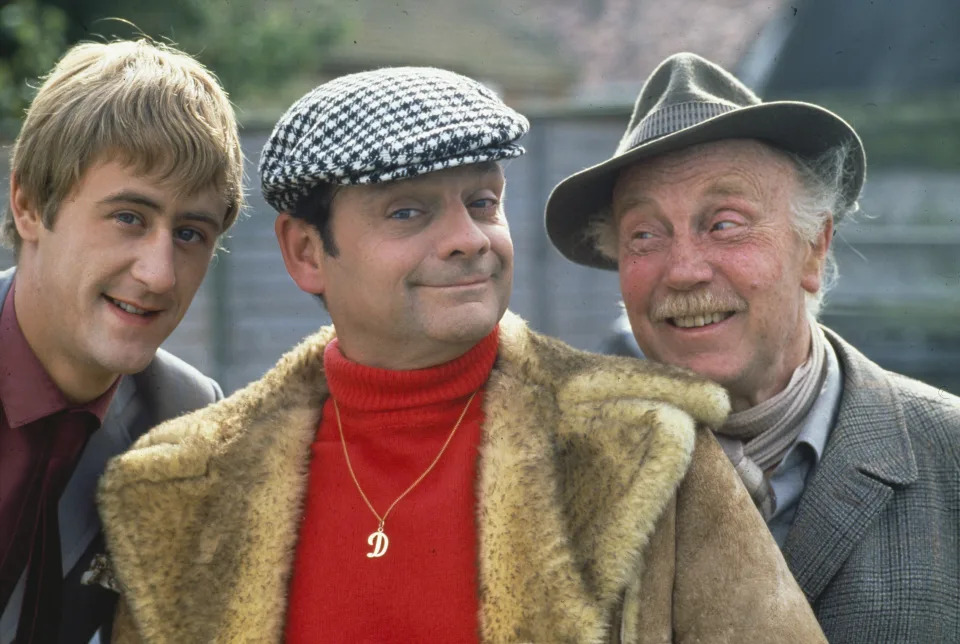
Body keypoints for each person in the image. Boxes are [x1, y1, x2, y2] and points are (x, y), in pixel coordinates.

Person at [98, 66, 825, 643]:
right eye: (409, 210)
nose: (468, 239)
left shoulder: (644, 444)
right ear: (306, 251)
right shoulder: (184, 484)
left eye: (482, 202)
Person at [546, 52, 960, 643]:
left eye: (725, 224)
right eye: (645, 234)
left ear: (813, 249)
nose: (684, 270)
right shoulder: (564, 480)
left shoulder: (949, 455)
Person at [0, 39, 244, 643]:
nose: (159, 274)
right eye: (129, 217)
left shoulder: (184, 419)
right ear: (29, 205)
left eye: (190, 233)